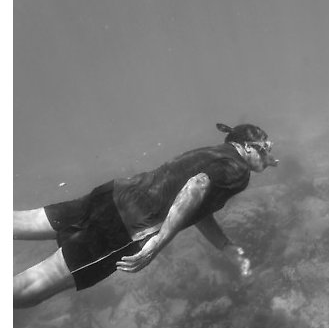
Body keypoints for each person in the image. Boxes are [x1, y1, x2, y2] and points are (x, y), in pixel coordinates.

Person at [13, 123, 278, 308]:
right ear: (247, 147)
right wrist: (157, 245)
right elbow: (196, 186)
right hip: (124, 226)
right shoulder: (239, 171)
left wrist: (225, 246)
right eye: (266, 148)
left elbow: (196, 207)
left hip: (112, 194)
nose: (269, 156)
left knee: (22, 222)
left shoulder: (215, 155)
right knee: (31, 289)